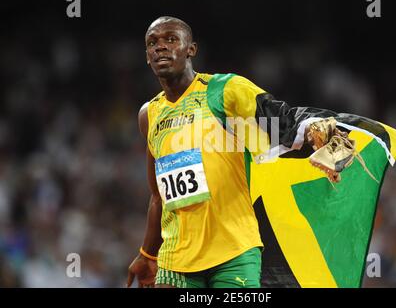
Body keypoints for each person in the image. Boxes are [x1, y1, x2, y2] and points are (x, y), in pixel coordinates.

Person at [126, 16, 352, 288]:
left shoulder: (224, 90)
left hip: (234, 251)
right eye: (153, 43)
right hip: (176, 258)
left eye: (171, 39)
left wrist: (317, 132)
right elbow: (157, 195)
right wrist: (147, 254)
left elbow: (277, 118)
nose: (160, 47)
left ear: (191, 49)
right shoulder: (149, 114)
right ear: (147, 56)